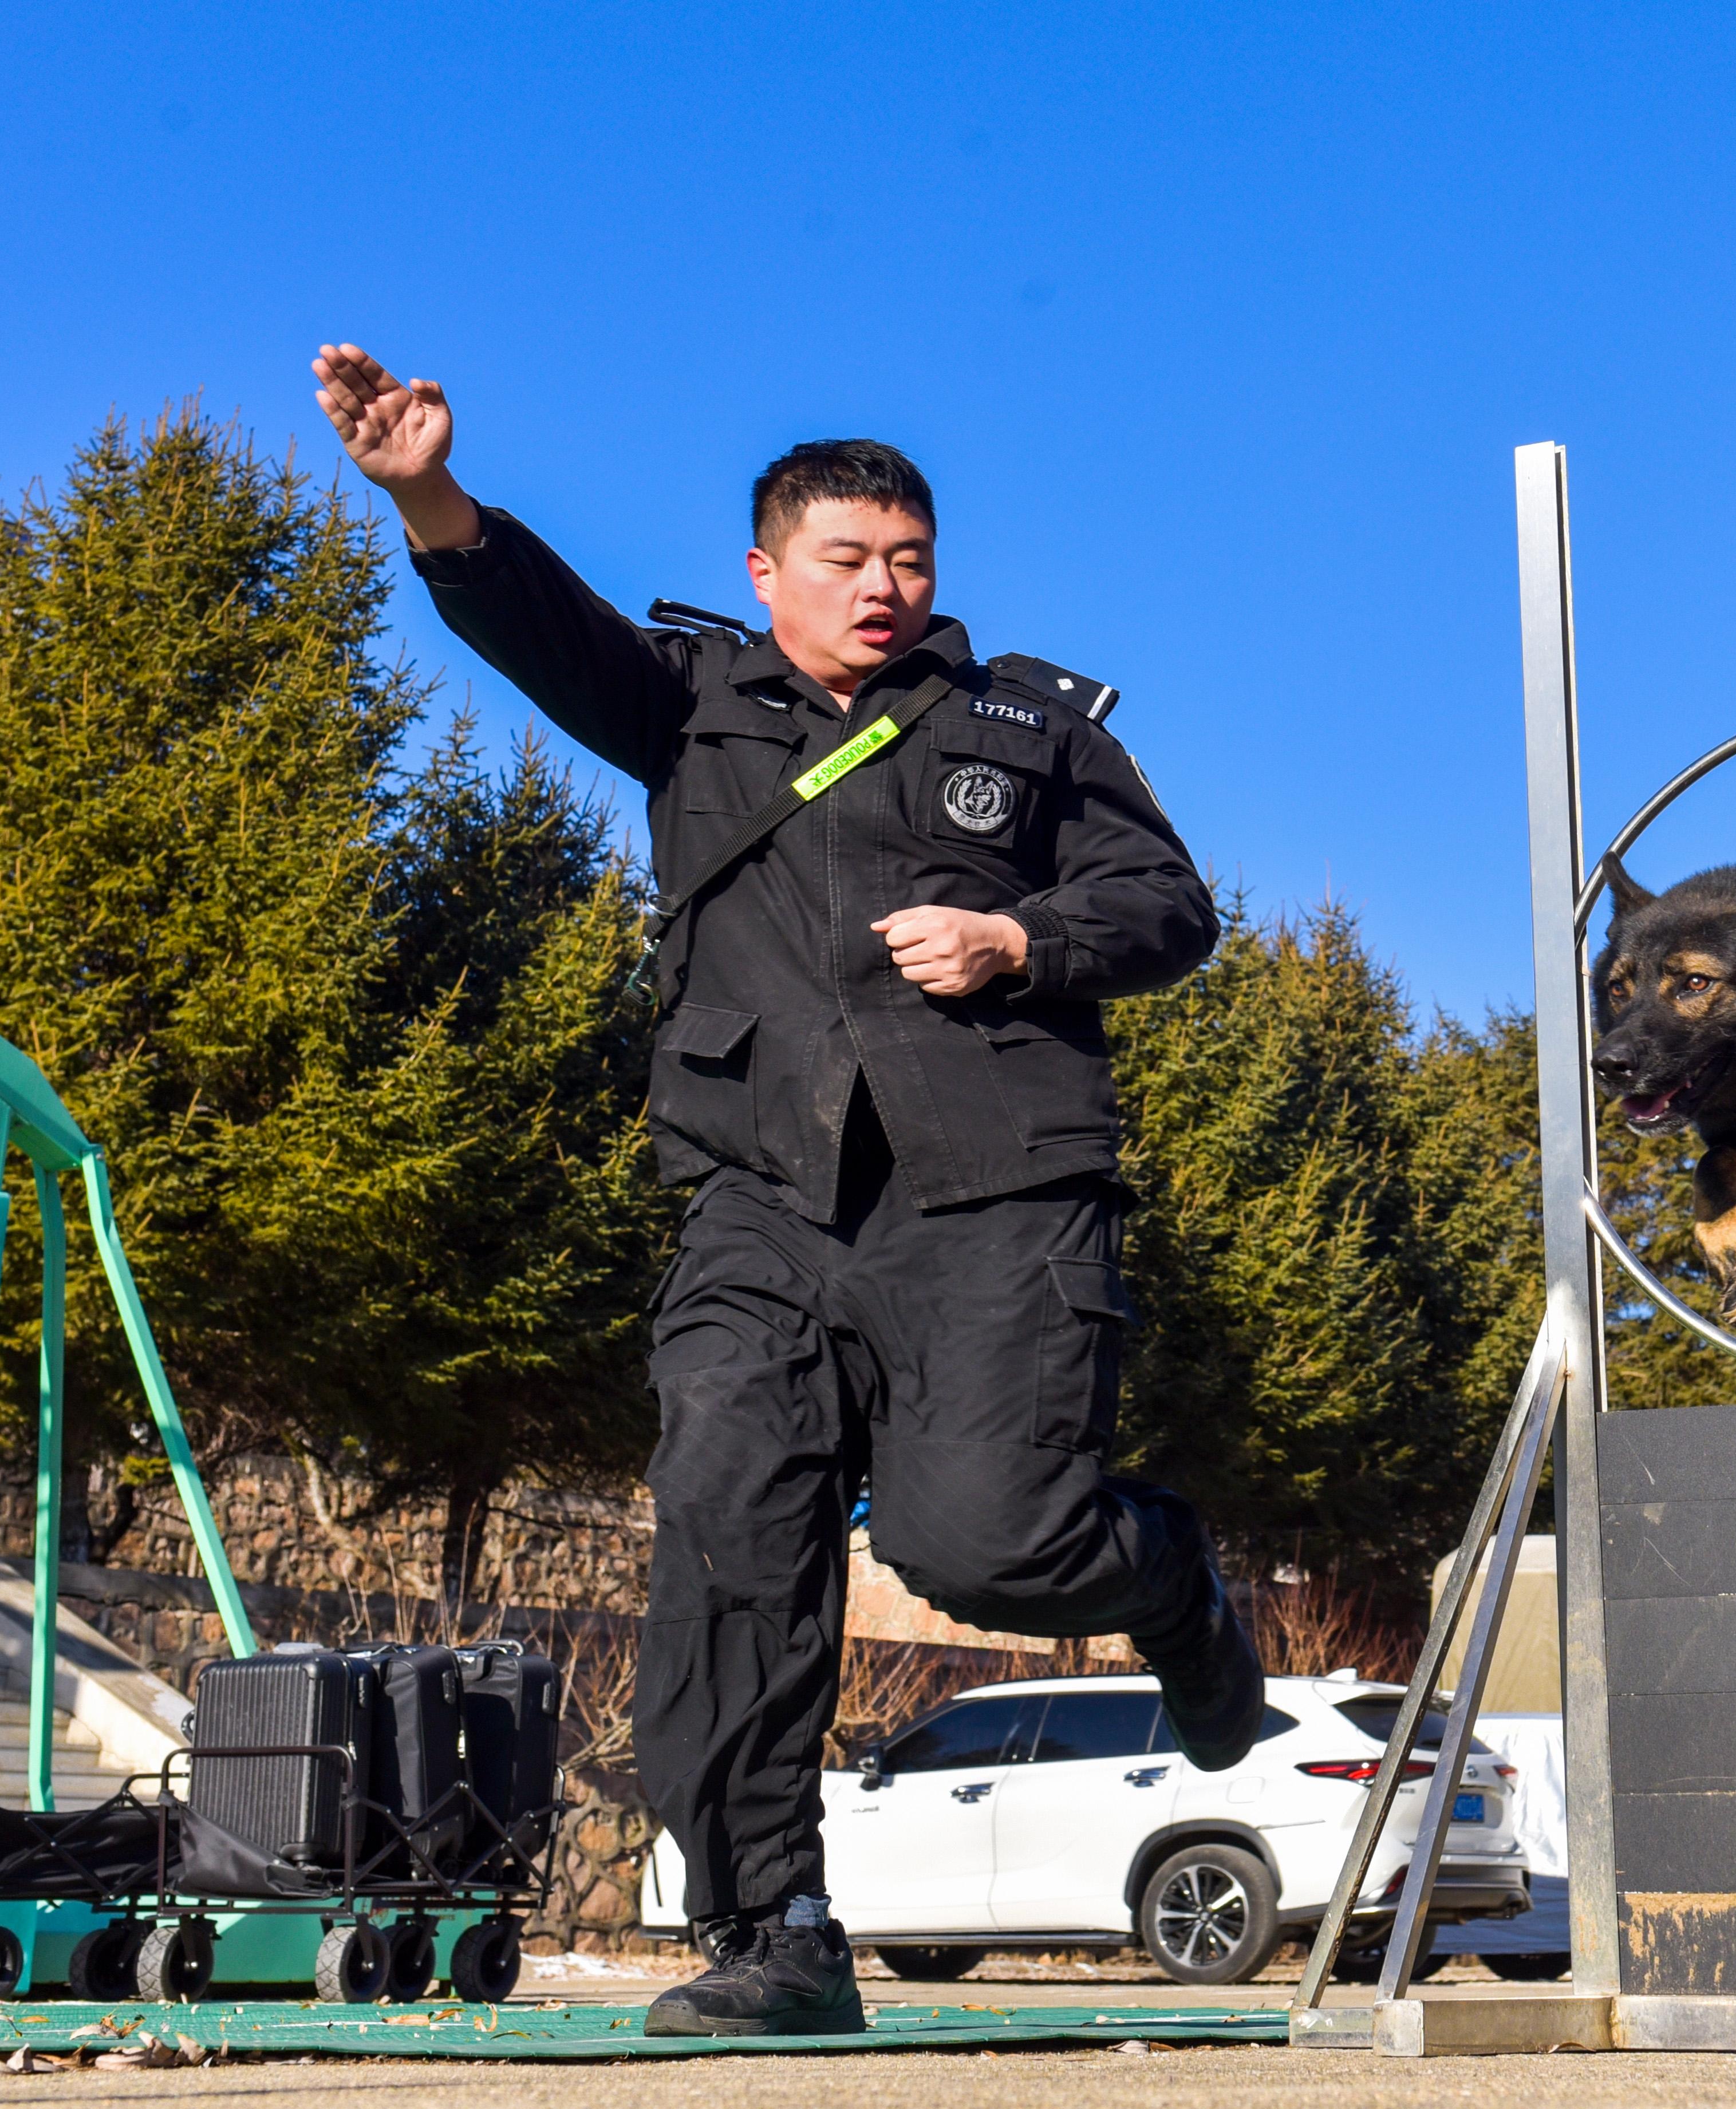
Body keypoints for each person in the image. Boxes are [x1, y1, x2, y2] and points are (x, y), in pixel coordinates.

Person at [311, 346, 1261, 2036]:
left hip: (993, 1194)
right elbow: (534, 623)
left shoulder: (1028, 727)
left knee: (986, 1544)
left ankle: (1170, 1584)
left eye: (910, 558)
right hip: (758, 1196)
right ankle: (774, 1929)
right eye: (847, 558)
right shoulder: (690, 703)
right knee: (732, 1526)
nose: (885, 586)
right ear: (768, 570)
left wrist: (1018, 935)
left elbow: (1171, 907)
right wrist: (426, 491)